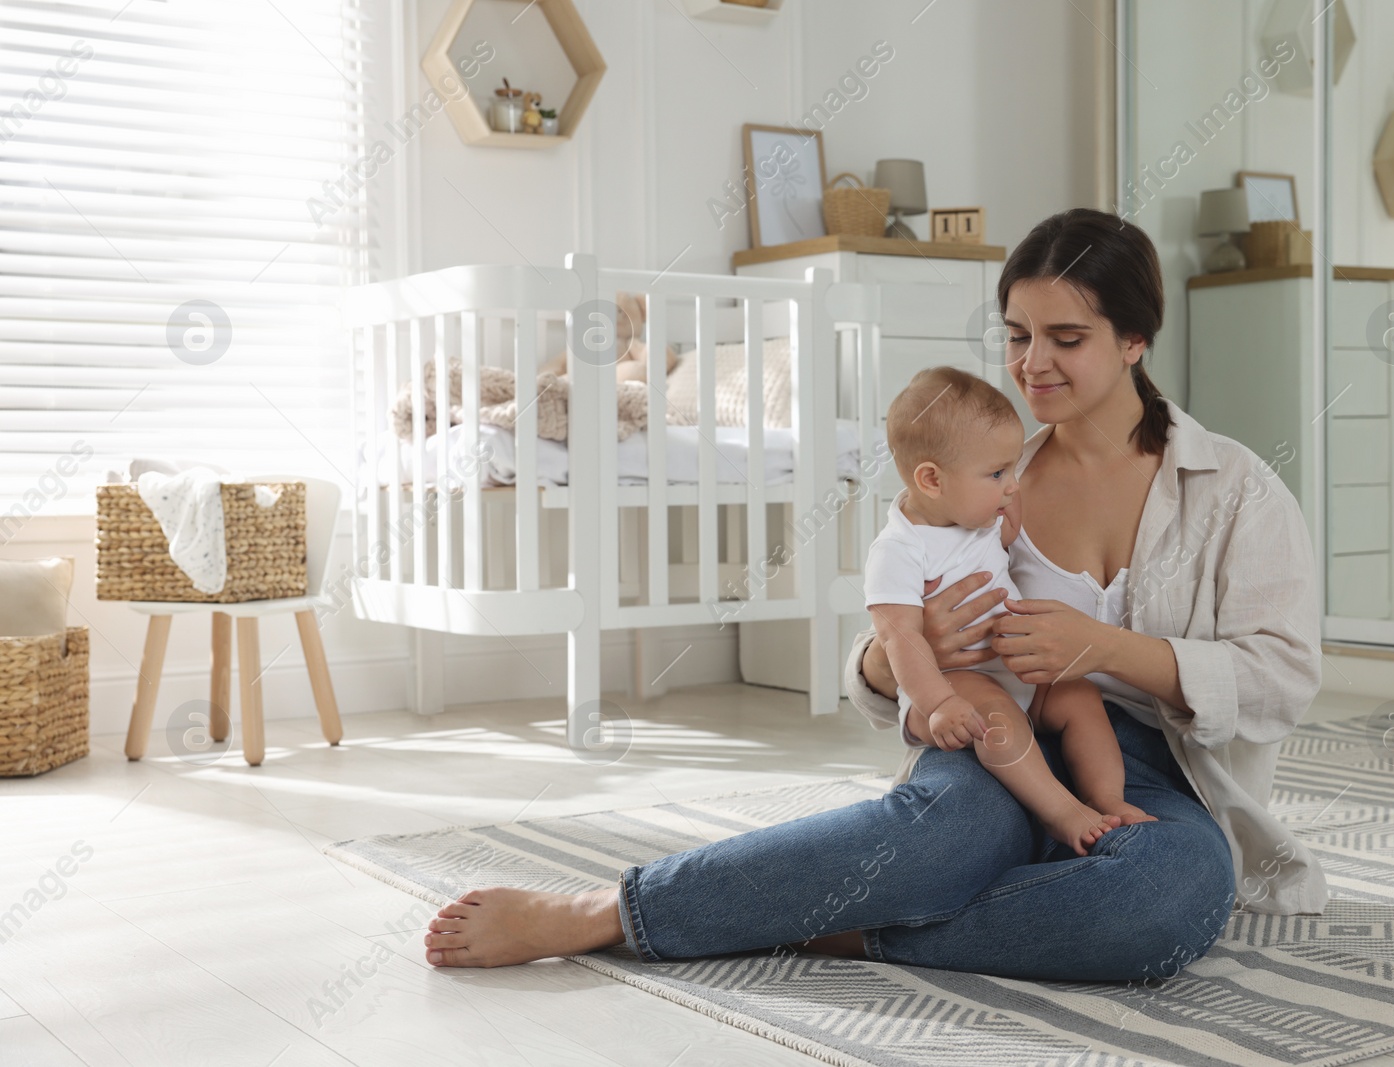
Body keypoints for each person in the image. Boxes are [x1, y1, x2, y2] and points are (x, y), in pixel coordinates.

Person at [420, 208, 1328, 981]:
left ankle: (847, 925)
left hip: (1160, 774)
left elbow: (1284, 678)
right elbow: (876, 668)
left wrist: (1106, 648)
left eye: (1067, 338)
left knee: (1166, 899)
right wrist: (910, 645)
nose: (1032, 363)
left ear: (1135, 340)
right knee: (940, 837)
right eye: (1017, 335)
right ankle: (608, 908)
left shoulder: (1234, 489)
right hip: (997, 737)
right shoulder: (977, 469)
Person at [864, 364, 1153, 856]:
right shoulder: (899, 549)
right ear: (932, 480)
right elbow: (900, 639)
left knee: (1080, 697)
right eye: (998, 474)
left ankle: (1107, 799)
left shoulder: (972, 516)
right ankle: (1061, 812)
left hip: (1011, 669)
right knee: (997, 717)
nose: (1012, 485)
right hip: (954, 684)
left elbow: (998, 546)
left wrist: (1003, 512)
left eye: (1013, 469)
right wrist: (939, 704)